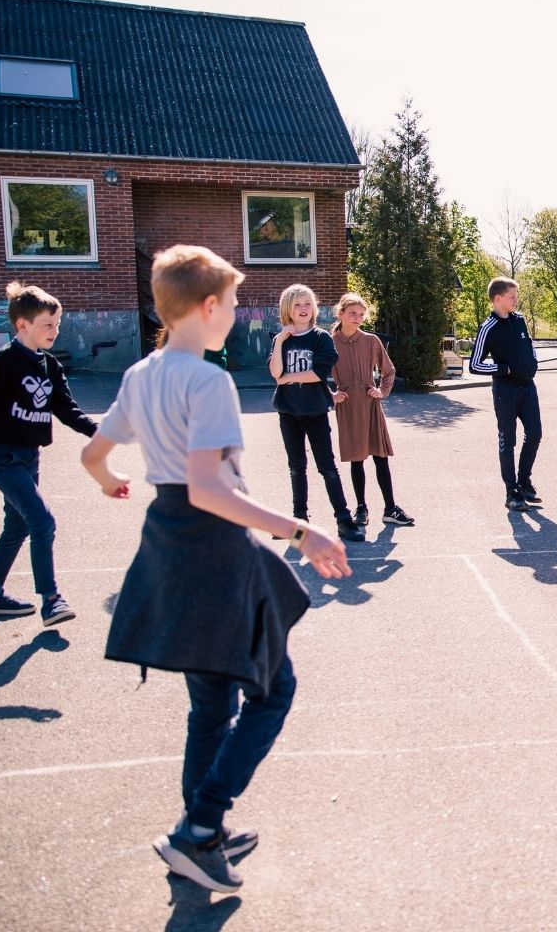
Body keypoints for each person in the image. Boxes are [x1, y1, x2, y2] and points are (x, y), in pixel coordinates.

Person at [81, 245, 351, 895]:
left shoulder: (141, 375)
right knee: (272, 690)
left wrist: (113, 481)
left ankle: (201, 831)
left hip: (166, 541)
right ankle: (199, 828)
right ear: (207, 308)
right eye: (231, 303)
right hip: (212, 548)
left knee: (211, 703)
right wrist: (301, 529)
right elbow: (208, 488)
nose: (235, 313)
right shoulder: (208, 381)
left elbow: (94, 454)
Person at [0, 282, 97, 627]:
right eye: (48, 325)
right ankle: (52, 600)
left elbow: (67, 409)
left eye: (57, 325)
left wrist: (101, 432)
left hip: (29, 457)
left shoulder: (50, 366)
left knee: (17, 526)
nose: (55, 332)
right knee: (42, 521)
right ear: (22, 325)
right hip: (0, 457)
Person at [269, 284, 364, 542]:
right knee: (296, 468)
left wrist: (287, 378)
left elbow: (316, 374)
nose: (303, 309)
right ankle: (299, 523)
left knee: (327, 468)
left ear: (314, 308)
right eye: (297, 304)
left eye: (307, 304)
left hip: (315, 412)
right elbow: (275, 373)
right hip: (288, 413)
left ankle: (344, 520)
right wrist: (279, 341)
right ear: (287, 309)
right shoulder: (283, 339)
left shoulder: (321, 338)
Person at [329, 292, 412, 527]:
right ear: (341, 314)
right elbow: (315, 374)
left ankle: (390, 508)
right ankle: (361, 508)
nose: (357, 318)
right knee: (357, 459)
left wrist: (382, 391)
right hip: (348, 407)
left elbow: (389, 370)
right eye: (352, 313)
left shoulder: (371, 341)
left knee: (380, 456)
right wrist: (332, 394)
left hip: (370, 404)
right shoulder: (329, 342)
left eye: (361, 315)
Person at [468, 277, 542, 511]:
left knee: (535, 434)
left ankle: (523, 482)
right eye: (512, 297)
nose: (516, 300)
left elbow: (529, 346)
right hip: (505, 391)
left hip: (528, 387)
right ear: (498, 299)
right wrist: (504, 369)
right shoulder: (487, 328)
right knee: (507, 441)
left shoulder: (519, 320)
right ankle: (512, 493)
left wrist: (533, 362)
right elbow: (474, 365)